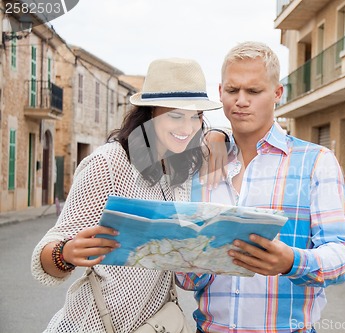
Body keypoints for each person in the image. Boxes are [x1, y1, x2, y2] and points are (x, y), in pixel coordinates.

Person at [31, 58, 222, 332]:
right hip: (91, 325)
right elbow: (44, 257)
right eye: (176, 116)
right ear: (150, 113)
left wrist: (218, 135)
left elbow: (233, 140)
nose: (188, 128)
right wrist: (67, 253)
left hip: (153, 324)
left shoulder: (180, 167)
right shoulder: (109, 164)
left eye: (197, 117)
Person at [177, 41, 345, 333]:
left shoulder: (316, 162)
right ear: (220, 92)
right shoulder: (201, 164)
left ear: (277, 93)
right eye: (233, 91)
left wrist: (292, 261)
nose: (241, 101)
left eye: (254, 91)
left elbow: (343, 258)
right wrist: (187, 260)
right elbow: (186, 278)